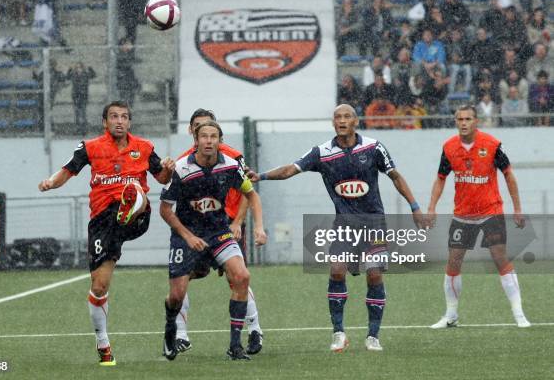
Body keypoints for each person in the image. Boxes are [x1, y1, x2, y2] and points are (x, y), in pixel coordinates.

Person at [248, 104, 424, 353]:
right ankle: (339, 333)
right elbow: (290, 169)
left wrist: (415, 207)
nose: (342, 121)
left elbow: (395, 176)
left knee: (374, 274)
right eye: (338, 117)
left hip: (373, 222)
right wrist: (261, 176)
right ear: (333, 123)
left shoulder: (373, 147)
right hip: (344, 224)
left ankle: (373, 336)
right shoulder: (322, 152)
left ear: (356, 122)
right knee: (337, 271)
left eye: (347, 116)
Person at [38, 101, 175, 365]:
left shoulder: (144, 148)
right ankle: (103, 343)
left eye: (124, 117)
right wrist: (51, 183)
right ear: (105, 122)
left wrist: (168, 168)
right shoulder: (90, 147)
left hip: (136, 215)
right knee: (99, 286)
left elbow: (162, 179)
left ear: (130, 122)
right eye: (114, 117)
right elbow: (68, 170)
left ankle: (130, 207)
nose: (119, 121)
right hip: (102, 221)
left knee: (135, 191)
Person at [160, 120, 267, 361]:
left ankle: (235, 345)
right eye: (204, 136)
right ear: (196, 141)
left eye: (213, 136)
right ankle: (170, 329)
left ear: (220, 140)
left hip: (218, 232)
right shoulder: (181, 169)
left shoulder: (231, 166)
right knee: (176, 295)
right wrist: (188, 236)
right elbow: (165, 209)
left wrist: (258, 227)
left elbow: (251, 195)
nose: (209, 141)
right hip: (186, 235)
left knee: (242, 276)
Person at [427, 105, 531, 329]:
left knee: (500, 258)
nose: (463, 123)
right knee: (453, 261)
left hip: (490, 211)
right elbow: (440, 178)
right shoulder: (449, 147)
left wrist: (517, 208)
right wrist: (431, 207)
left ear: (476, 121)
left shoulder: (492, 145)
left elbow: (509, 175)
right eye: (459, 119)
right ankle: (451, 315)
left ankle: (519, 313)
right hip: (462, 214)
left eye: (468, 119)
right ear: (455, 122)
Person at [67, 62, 97, 135]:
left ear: (82, 68)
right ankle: (78, 129)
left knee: (83, 113)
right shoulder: (74, 75)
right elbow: (67, 77)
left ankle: (83, 129)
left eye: (80, 67)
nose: (78, 69)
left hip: (83, 96)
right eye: (77, 68)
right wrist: (69, 70)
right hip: (76, 96)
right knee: (77, 113)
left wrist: (90, 69)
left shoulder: (85, 74)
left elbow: (93, 75)